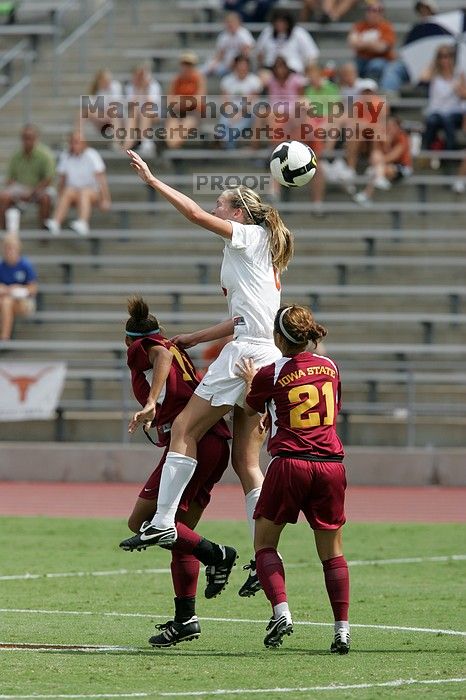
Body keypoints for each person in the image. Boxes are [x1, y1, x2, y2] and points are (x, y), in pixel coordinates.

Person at [121, 148, 294, 599]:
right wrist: (193, 338)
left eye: (223, 202)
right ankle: (262, 556)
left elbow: (196, 214)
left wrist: (155, 182)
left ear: (238, 210)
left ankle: (162, 521)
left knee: (183, 427)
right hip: (264, 354)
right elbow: (243, 317)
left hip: (245, 355)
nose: (217, 207)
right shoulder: (263, 252)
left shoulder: (249, 235)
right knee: (247, 462)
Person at [119, 296, 237, 647]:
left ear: (128, 340)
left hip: (189, 446)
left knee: (143, 522)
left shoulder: (145, 346)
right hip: (213, 444)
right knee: (178, 533)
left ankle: (217, 554)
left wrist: (151, 402)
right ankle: (186, 619)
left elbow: (161, 355)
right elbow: (169, 354)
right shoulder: (170, 344)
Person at [236, 305, 350, 652]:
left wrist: (249, 381)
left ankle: (281, 611)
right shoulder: (330, 367)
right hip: (331, 465)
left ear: (277, 337)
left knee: (264, 544)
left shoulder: (272, 371)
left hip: (290, 464)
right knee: (332, 553)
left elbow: (250, 407)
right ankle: (342, 630)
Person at [44, 132, 111, 237]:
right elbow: (61, 180)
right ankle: (56, 222)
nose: (74, 145)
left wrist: (105, 199)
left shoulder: (92, 155)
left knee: (84, 192)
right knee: (68, 191)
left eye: (77, 142)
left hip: (92, 192)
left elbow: (101, 178)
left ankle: (83, 223)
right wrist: (58, 197)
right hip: (73, 192)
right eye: (72, 142)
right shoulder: (65, 155)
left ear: (84, 144)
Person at [0, 125, 55, 231]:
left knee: (46, 198)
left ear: (36, 138)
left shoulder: (45, 155)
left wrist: (33, 191)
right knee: (3, 196)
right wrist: (21, 191)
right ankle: (3, 230)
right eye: (24, 137)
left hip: (40, 189)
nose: (27, 140)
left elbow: (48, 179)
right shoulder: (16, 155)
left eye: (30, 137)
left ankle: (44, 231)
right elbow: (9, 179)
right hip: (20, 188)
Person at [353, 114, 412, 205]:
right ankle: (378, 178)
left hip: (402, 167)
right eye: (387, 126)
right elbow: (374, 155)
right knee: (376, 157)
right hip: (384, 165)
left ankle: (366, 194)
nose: (389, 128)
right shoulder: (383, 137)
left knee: (376, 170)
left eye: (392, 126)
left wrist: (377, 164)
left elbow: (394, 157)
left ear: (398, 127)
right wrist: (378, 140)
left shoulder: (402, 137)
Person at [420, 45, 466, 152]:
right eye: (441, 56)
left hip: (454, 112)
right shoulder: (434, 75)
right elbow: (423, 78)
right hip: (436, 111)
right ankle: (426, 152)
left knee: (447, 120)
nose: (445, 59)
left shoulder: (459, 75)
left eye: (448, 56)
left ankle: (449, 153)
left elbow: (464, 96)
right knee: (431, 121)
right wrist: (433, 63)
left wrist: (458, 88)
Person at [255, 9, 319, 78]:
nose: (280, 25)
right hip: (271, 70)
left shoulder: (299, 33)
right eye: (277, 22)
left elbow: (312, 54)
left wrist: (307, 71)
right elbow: (258, 53)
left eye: (282, 22)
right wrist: (260, 67)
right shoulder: (267, 32)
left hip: (293, 71)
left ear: (288, 23)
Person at [218, 55, 262, 150]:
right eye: (240, 65)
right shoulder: (227, 80)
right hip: (230, 112)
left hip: (248, 113)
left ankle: (229, 150)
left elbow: (251, 101)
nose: (242, 68)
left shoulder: (255, 81)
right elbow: (225, 102)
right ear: (235, 66)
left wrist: (240, 114)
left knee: (233, 129)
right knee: (224, 124)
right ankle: (229, 150)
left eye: (244, 65)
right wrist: (232, 114)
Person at [164, 52, 206, 150]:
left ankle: (172, 147)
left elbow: (199, 99)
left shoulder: (198, 78)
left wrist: (182, 101)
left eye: (189, 65)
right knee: (171, 127)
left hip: (194, 112)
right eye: (184, 64)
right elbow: (170, 101)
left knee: (183, 128)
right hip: (178, 111)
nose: (186, 67)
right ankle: (172, 147)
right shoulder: (177, 79)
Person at [0, 233, 38, 340]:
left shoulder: (25, 265)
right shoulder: (1, 265)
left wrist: (19, 289)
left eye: (12, 248)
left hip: (23, 302)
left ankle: (4, 338)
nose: (9, 251)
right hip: (4, 300)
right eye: (7, 248)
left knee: (7, 302)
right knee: (5, 302)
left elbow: (33, 289)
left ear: (18, 249)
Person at [348, 1, 396, 83]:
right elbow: (352, 43)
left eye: (378, 10)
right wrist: (373, 43)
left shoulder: (386, 27)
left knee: (375, 65)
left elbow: (382, 48)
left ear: (382, 13)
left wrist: (362, 42)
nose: (373, 13)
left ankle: (371, 90)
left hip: (382, 59)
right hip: (361, 59)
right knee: (351, 67)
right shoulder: (359, 26)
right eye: (370, 10)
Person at [124, 63, 161, 157]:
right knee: (134, 112)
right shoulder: (130, 86)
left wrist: (145, 89)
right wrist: (137, 90)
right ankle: (129, 143)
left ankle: (144, 142)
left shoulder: (153, 85)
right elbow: (130, 104)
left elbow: (151, 103)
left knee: (145, 111)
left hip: (153, 114)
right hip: (135, 114)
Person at [203, 12, 255, 77]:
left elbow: (246, 53)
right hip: (225, 64)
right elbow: (220, 54)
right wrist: (213, 63)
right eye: (228, 22)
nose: (230, 24)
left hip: (238, 65)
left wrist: (234, 63)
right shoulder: (223, 35)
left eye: (232, 22)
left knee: (220, 71)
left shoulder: (243, 34)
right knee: (205, 68)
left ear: (238, 22)